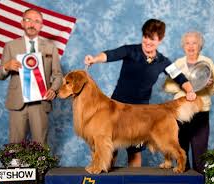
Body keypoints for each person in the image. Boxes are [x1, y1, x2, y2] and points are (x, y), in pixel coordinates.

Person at [84, 18, 196, 167]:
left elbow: (179, 77)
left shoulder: (163, 61)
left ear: (160, 40)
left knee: (134, 152)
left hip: (141, 114)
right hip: (116, 109)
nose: (148, 41)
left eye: (152, 38)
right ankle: (106, 183)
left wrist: (190, 91)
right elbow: (111, 54)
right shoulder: (131, 51)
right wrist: (94, 59)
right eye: (145, 37)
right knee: (109, 147)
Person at [0, 8, 63, 145]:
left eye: (36, 21)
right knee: (15, 144)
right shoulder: (10, 46)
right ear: (22, 23)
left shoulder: (51, 47)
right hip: (17, 101)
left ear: (41, 26)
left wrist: (54, 89)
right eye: (28, 20)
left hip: (41, 102)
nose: (32, 24)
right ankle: (14, 167)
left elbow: (57, 75)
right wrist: (6, 67)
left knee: (40, 143)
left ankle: (39, 167)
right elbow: (0, 75)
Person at [164, 31, 214, 174]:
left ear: (200, 46)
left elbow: (212, 90)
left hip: (200, 111)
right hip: (180, 112)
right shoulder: (177, 64)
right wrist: (186, 84)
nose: (191, 46)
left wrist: (209, 84)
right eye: (187, 43)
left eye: (194, 43)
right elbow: (167, 87)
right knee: (181, 151)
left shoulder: (208, 62)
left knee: (200, 154)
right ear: (183, 46)